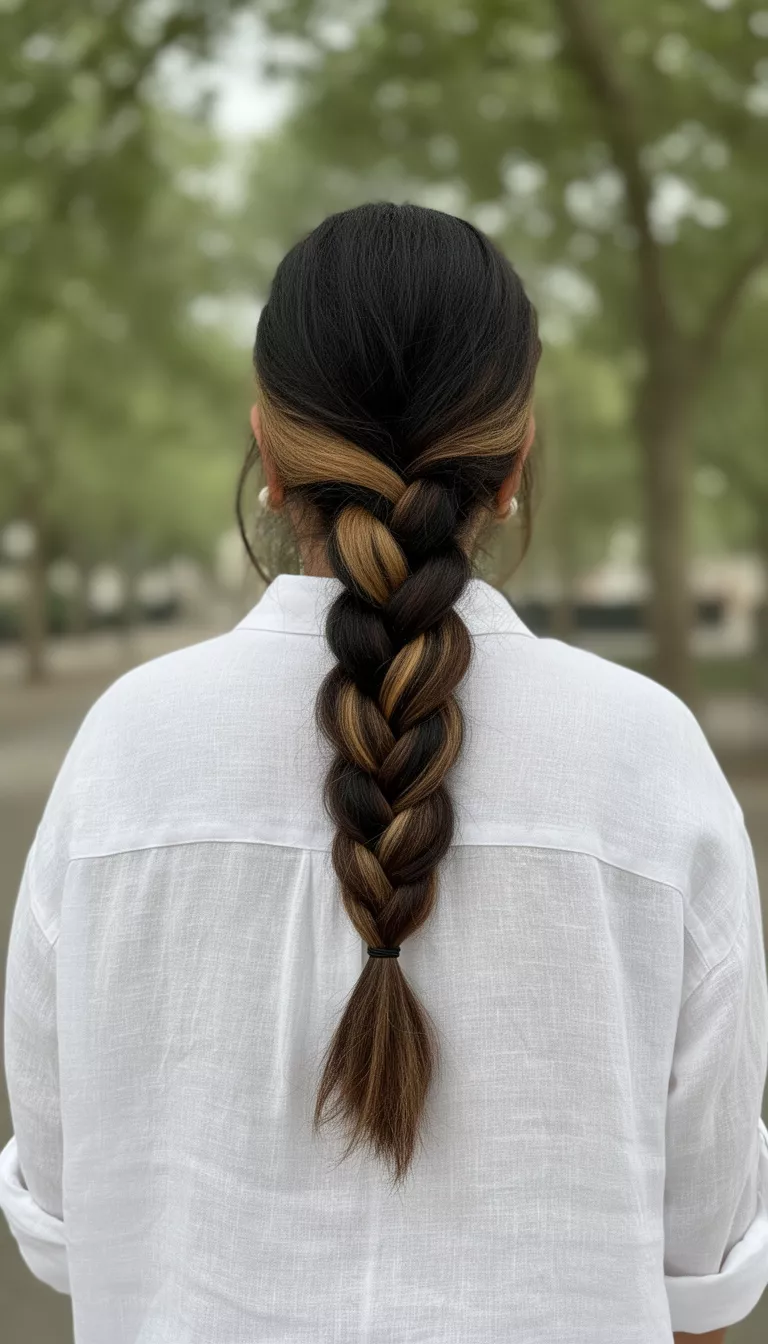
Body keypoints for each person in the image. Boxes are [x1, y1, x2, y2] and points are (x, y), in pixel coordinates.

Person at [1, 203, 767, 1344]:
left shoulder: (125, 755)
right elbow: (703, 1271)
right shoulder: (650, 763)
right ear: (513, 466)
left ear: (268, 456)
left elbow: (64, 1221)